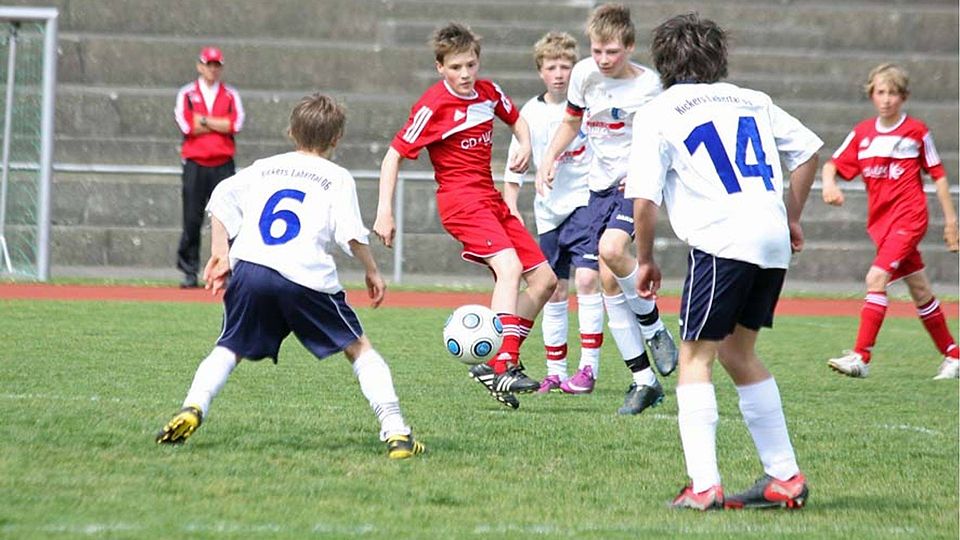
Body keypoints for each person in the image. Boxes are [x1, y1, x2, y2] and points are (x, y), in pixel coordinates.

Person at [156, 94, 425, 460]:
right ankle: (396, 431)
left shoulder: (265, 166)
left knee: (229, 347)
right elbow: (351, 234)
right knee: (359, 348)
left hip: (250, 267)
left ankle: (192, 407)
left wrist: (220, 252)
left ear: (291, 131)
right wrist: (372, 271)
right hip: (303, 275)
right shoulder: (337, 177)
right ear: (337, 139)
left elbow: (220, 195)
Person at [626, 13, 822, 509]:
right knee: (738, 352)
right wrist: (792, 217)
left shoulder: (659, 110)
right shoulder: (752, 99)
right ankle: (784, 477)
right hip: (770, 238)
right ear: (719, 57)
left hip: (722, 240)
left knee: (695, 357)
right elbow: (808, 152)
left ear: (663, 60)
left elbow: (644, 201)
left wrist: (644, 259)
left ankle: (704, 485)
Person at [374, 23, 558, 410]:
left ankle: (496, 360)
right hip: (461, 202)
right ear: (440, 67)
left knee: (544, 282)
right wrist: (384, 211)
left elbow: (517, 119)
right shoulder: (432, 105)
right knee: (508, 269)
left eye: (470, 65)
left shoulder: (488, 93)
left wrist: (524, 142)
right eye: (456, 67)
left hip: (491, 200)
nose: (465, 74)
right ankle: (504, 363)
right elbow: (393, 155)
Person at [536, 3, 677, 415]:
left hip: (635, 185)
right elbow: (571, 122)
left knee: (613, 251)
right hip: (598, 188)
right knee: (608, 282)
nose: (603, 60)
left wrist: (641, 172)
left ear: (630, 47)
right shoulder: (584, 75)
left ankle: (654, 327)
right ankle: (644, 380)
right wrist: (550, 157)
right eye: (597, 50)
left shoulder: (649, 87)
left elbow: (662, 140)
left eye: (612, 52)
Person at [821, 63, 960, 380]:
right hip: (881, 225)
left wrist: (951, 222)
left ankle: (861, 356)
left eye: (893, 93)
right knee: (920, 289)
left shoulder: (916, 132)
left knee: (876, 279)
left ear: (904, 97)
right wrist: (830, 184)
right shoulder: (863, 134)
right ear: (871, 95)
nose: (886, 100)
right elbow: (832, 164)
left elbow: (938, 177)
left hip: (909, 218)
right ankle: (954, 355)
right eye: (880, 92)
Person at [501, 32, 605, 394]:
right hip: (548, 213)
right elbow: (514, 170)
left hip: (586, 202)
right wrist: (511, 207)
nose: (559, 74)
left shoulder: (588, 106)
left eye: (565, 66)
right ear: (540, 71)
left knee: (588, 280)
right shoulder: (529, 114)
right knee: (554, 290)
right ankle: (556, 372)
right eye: (551, 67)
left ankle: (589, 369)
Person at [174, 46, 245, 288]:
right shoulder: (187, 94)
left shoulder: (230, 95)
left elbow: (235, 124)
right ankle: (189, 270)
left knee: (230, 218)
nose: (213, 69)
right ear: (200, 66)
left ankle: (230, 268)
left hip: (223, 164)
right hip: (195, 163)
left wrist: (203, 120)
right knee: (192, 218)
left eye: (217, 65)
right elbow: (187, 126)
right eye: (209, 64)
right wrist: (218, 124)